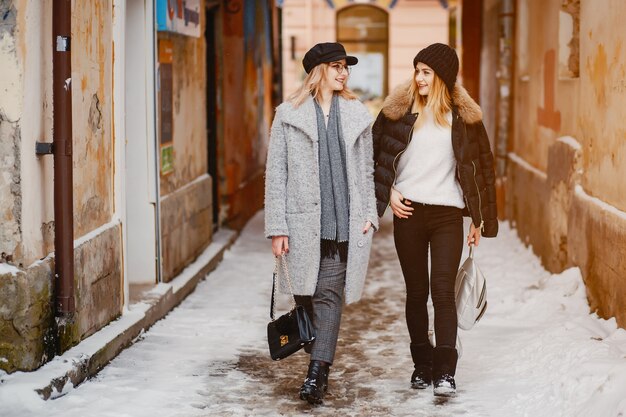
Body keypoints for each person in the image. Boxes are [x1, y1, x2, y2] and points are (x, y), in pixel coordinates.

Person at [372, 43, 498, 397]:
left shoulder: (464, 118)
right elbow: (372, 156)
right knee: (417, 292)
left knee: (443, 292)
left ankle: (445, 371)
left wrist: (479, 218)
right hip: (408, 212)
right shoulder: (398, 112)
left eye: (426, 71)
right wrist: (390, 192)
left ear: (443, 77)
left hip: (446, 214)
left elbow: (482, 168)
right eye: (417, 70)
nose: (419, 77)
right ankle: (421, 364)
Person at [264, 42, 378, 405]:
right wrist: (277, 227)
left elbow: (367, 169)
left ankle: (317, 375)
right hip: (301, 224)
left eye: (345, 66)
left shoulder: (357, 114)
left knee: (329, 296)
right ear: (318, 72)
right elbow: (276, 174)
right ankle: (317, 344)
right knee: (306, 296)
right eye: (336, 66)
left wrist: (369, 213)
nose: (343, 73)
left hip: (344, 223)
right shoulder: (289, 115)